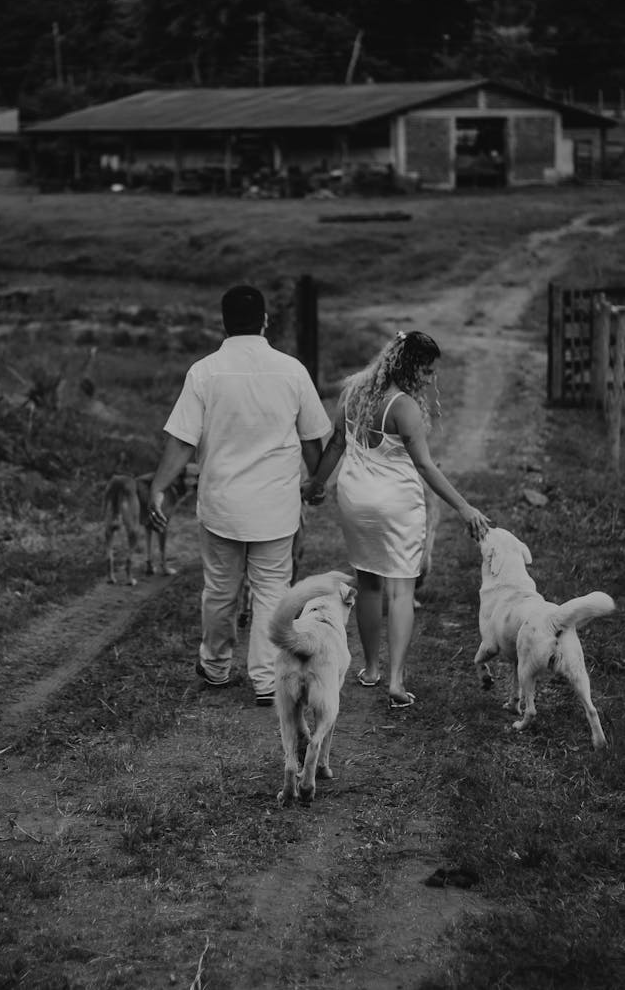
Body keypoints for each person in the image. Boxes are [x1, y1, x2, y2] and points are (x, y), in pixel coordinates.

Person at [147, 284, 331, 706]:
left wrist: (158, 488)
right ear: (265, 321)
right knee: (271, 591)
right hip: (275, 507)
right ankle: (267, 681)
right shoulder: (293, 370)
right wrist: (316, 483)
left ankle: (215, 667)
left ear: (223, 322)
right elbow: (311, 440)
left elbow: (180, 442)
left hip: (222, 505)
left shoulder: (204, 372)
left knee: (219, 590)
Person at [301, 329, 491, 709]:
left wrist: (317, 484)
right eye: (428, 371)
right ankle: (396, 681)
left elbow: (337, 443)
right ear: (410, 367)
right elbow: (424, 465)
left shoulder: (353, 390)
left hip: (355, 501)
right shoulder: (404, 407)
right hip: (396, 506)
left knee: (368, 585)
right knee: (402, 590)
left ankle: (370, 669)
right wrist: (464, 506)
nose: (431, 379)